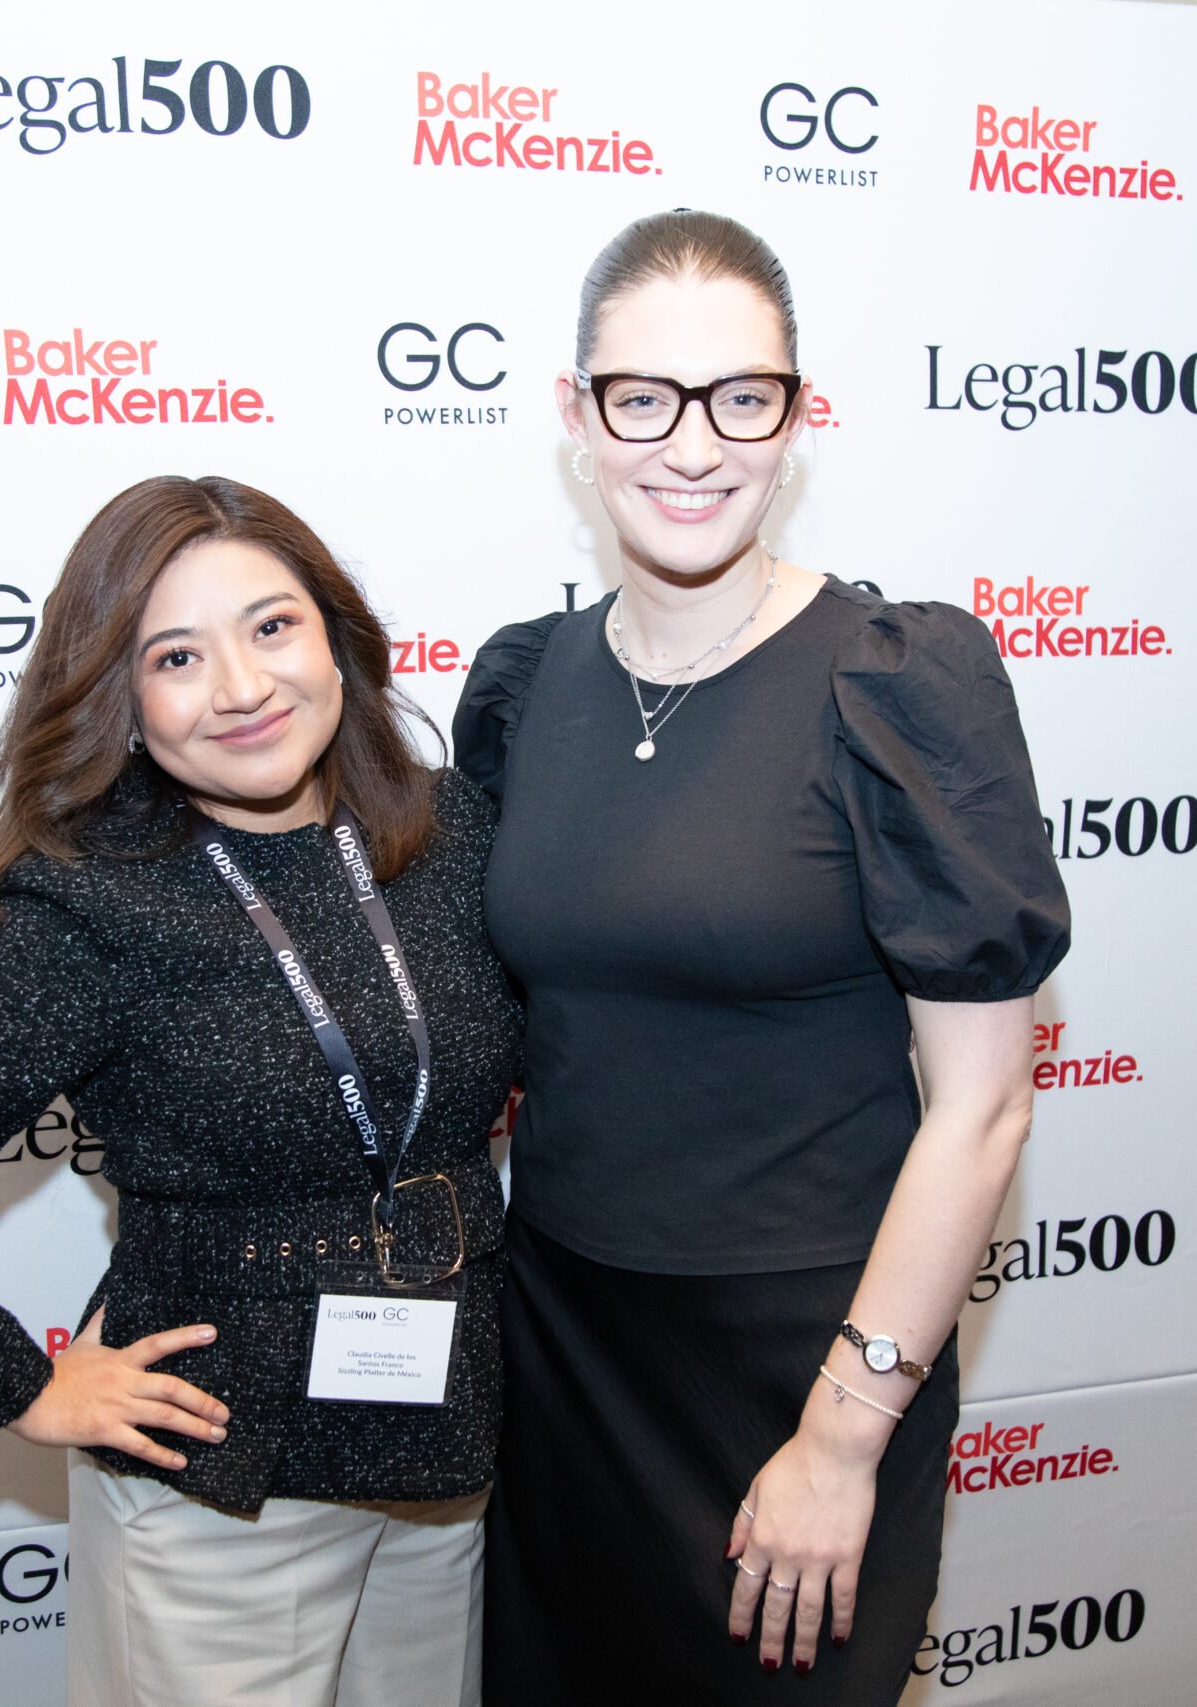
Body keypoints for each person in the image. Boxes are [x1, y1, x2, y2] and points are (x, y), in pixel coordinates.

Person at [0, 475, 522, 1707]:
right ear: (121, 697)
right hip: (221, 1490)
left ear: (336, 635)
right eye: (176, 656)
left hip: (443, 1456)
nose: (242, 685)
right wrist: (18, 1383)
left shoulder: (448, 835)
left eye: (272, 627)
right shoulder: (95, 901)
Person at [452, 211, 1071, 1702]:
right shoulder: (525, 684)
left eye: (742, 397)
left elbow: (983, 1105)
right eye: (642, 397)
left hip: (807, 1360)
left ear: (797, 419)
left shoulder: (900, 683)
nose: (692, 445)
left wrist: (843, 1438)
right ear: (575, 417)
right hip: (566, 1350)